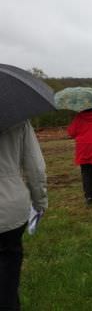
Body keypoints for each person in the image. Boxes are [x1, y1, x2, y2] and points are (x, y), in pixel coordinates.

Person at [0, 121, 48, 310]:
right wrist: (40, 202)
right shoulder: (17, 118)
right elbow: (35, 168)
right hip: (9, 210)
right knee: (7, 279)